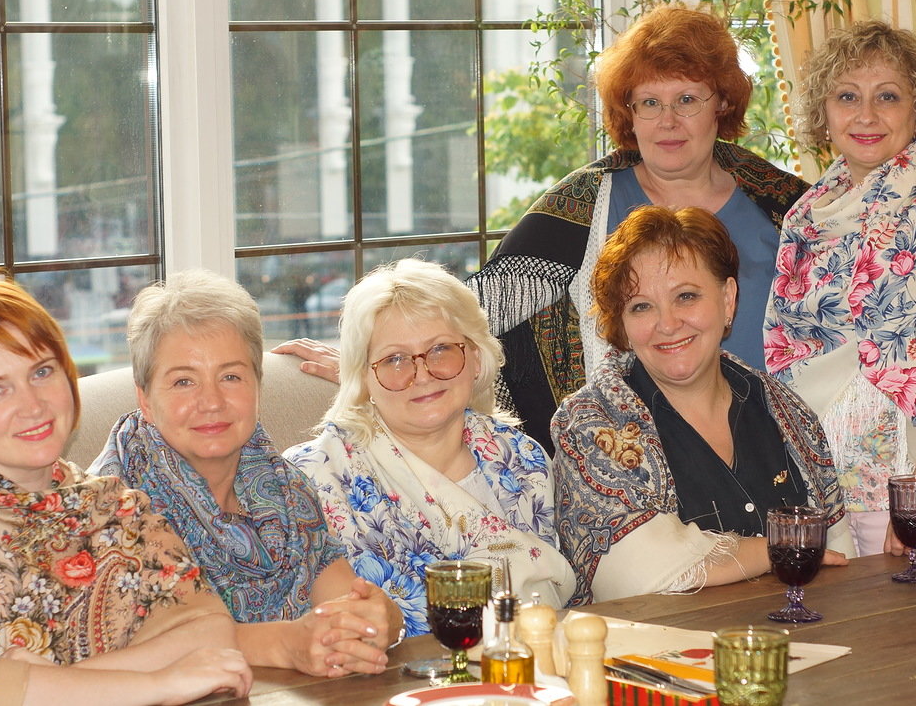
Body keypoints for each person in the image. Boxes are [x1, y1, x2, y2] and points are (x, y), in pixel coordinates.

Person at [0, 275, 252, 706]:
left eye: (41, 372)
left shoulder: (115, 508)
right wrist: (156, 684)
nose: (33, 405)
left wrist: (43, 684)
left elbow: (211, 632)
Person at [465, 5, 809, 451]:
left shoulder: (786, 208)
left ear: (722, 103)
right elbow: (471, 315)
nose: (668, 121)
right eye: (649, 103)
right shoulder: (583, 206)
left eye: (687, 99)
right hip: (628, 465)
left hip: (770, 453)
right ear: (628, 113)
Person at [763, 20, 916, 556]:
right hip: (827, 503)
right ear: (824, 114)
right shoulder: (806, 221)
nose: (866, 115)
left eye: (888, 96)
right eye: (847, 96)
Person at [91, 270, 403, 678]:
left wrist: (381, 619)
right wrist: (282, 643)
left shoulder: (287, 489)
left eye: (231, 377)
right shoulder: (107, 509)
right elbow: (122, 647)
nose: (211, 401)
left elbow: (345, 603)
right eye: (183, 381)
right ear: (145, 399)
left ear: (258, 387)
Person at [553, 207, 851, 604]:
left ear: (727, 299)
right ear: (621, 323)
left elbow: (839, 555)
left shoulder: (787, 412)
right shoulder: (588, 424)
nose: (667, 323)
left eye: (686, 296)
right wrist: (778, 548)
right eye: (641, 306)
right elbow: (631, 573)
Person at [285, 259, 576, 635]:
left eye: (441, 349)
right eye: (395, 359)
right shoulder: (312, 478)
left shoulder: (522, 458)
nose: (422, 374)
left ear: (475, 358)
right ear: (362, 377)